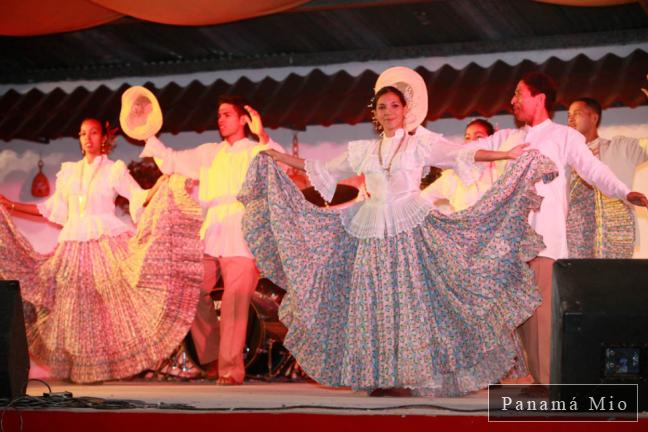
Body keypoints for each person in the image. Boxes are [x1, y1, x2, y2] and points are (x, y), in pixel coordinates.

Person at [239, 66, 558, 397]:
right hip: (371, 230)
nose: (388, 112)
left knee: (409, 304)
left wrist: (506, 153)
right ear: (375, 114)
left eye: (394, 106)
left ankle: (410, 375)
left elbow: (461, 154)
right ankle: (381, 374)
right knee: (372, 304)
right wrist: (275, 156)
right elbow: (320, 168)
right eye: (382, 107)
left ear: (405, 110)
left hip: (409, 230)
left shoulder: (420, 144)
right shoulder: (363, 149)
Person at [465, 72, 648, 385]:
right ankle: (522, 382)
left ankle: (549, 386)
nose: (512, 101)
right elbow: (466, 152)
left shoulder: (564, 136)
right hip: (508, 245)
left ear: (540, 98)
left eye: (518, 94)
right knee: (510, 317)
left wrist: (623, 192)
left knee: (540, 319)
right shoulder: (509, 138)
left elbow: (594, 170)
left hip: (545, 241)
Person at [0, 118, 203, 383]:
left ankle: (97, 369)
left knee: (106, 308)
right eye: (83, 133)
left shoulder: (114, 170)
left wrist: (164, 183)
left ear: (103, 138)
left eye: (93, 132)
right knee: (73, 309)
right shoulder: (69, 172)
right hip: (72, 246)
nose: (88, 138)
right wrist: (10, 205)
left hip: (105, 243)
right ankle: (80, 368)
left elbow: (138, 196)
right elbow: (51, 209)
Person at [135, 94, 284, 385]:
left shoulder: (255, 151)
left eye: (227, 114)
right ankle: (213, 357)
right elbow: (172, 160)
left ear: (243, 118)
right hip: (213, 229)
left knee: (234, 301)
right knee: (190, 292)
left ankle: (231, 370)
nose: (221, 120)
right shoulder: (210, 152)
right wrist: (147, 134)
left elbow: (279, 163)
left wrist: (262, 133)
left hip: (243, 231)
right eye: (218, 115)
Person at [566, 97, 648, 258]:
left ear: (594, 118)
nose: (570, 118)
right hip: (575, 240)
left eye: (577, 113)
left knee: (614, 282)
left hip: (616, 237)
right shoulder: (565, 156)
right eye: (568, 114)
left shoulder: (620, 147)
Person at [426, 118, 497, 213]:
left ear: (491, 139)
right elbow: (424, 198)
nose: (472, 141)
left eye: (479, 137)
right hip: (463, 226)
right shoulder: (453, 175)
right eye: (468, 137)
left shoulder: (499, 170)